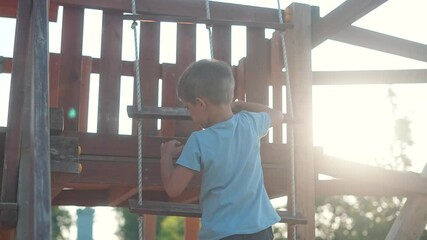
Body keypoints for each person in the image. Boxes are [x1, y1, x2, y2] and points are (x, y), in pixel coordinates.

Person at [160, 59, 284, 240]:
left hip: (222, 233)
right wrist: (240, 104)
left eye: (188, 107)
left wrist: (165, 156)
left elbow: (173, 188)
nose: (189, 113)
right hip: (259, 228)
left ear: (201, 104)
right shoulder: (249, 123)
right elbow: (278, 115)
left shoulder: (199, 141)